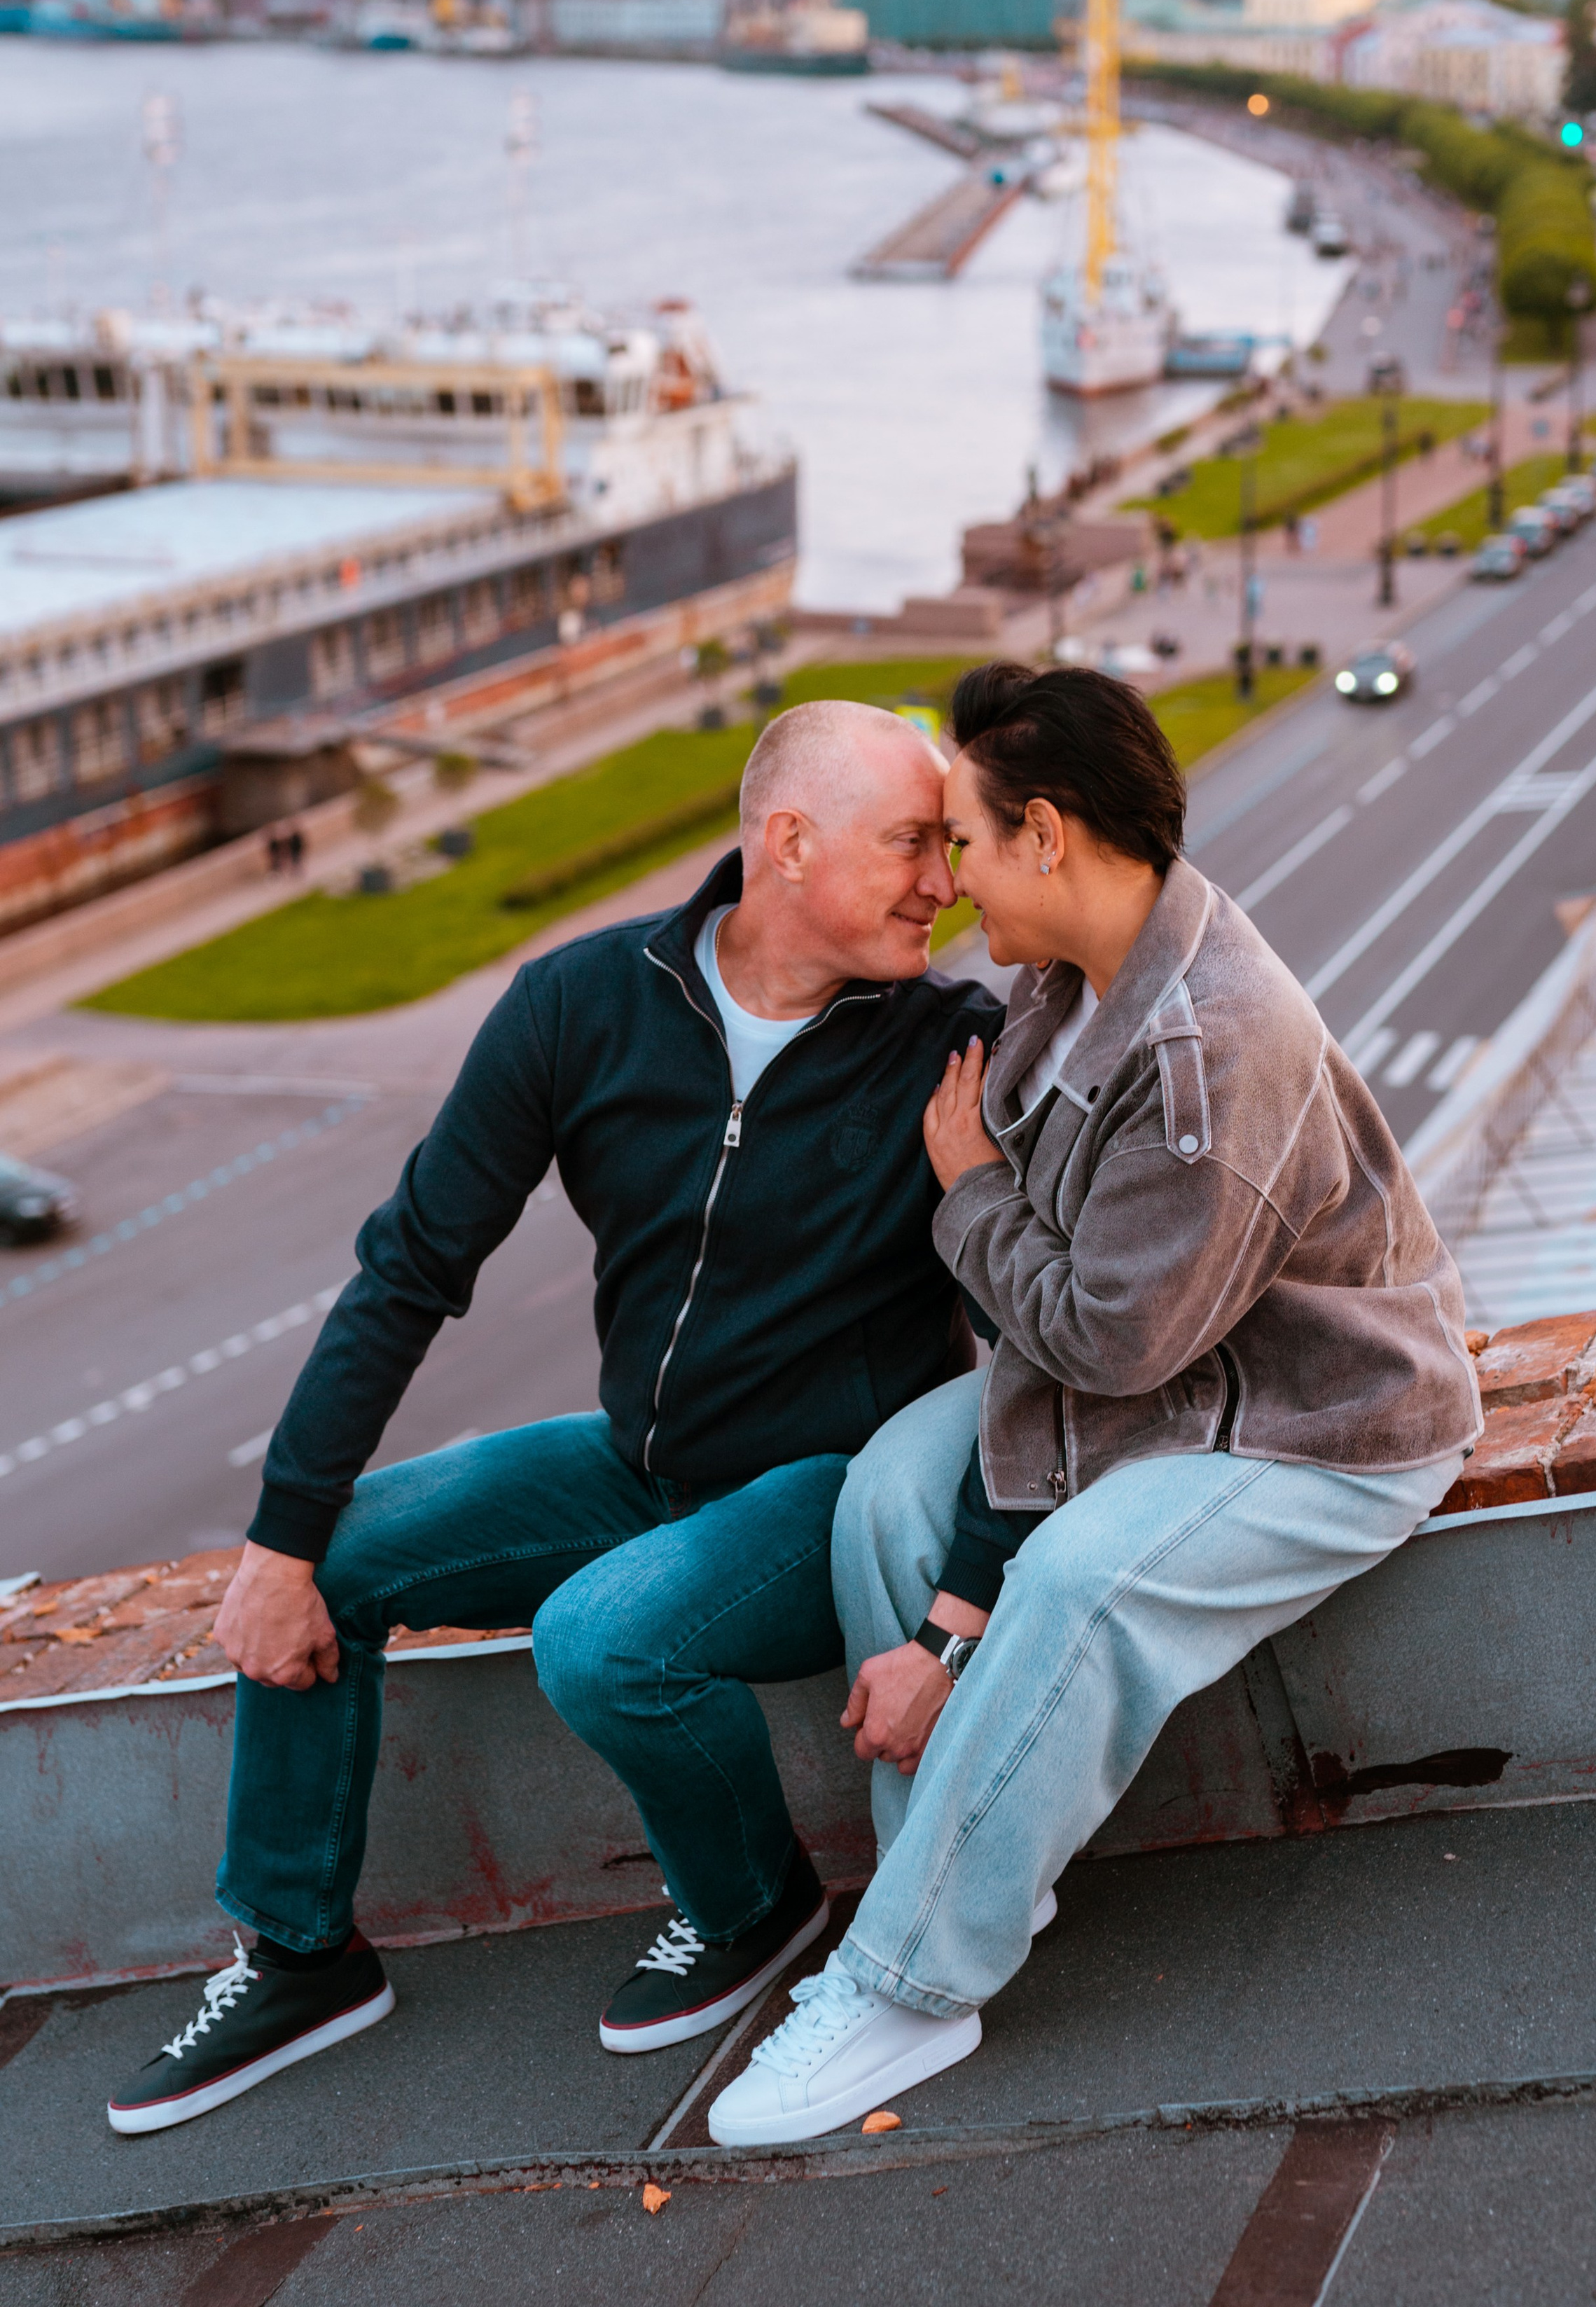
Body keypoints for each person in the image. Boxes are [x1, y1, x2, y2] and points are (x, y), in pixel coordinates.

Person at [106, 701, 1004, 2135]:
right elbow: (410, 1271)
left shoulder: (952, 1047)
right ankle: (299, 1957)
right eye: (910, 844)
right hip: (639, 1465)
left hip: (819, 1496)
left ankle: (753, 1904)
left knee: (603, 1635)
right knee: (327, 1553)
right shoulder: (580, 1004)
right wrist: (276, 1542)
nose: (940, 885)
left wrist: (957, 1602)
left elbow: (1034, 1356)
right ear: (787, 842)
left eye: (946, 850)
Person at [707, 663, 1479, 2147]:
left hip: (1313, 1421)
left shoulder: (1207, 1048)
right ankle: (934, 1897)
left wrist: (967, 1199)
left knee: (1073, 1583)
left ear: (1046, 837)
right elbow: (1070, 1334)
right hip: (1163, 1370)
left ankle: (907, 1983)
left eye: (965, 844)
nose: (943, 880)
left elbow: (1096, 1345)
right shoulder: (1073, 978)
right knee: (882, 1492)